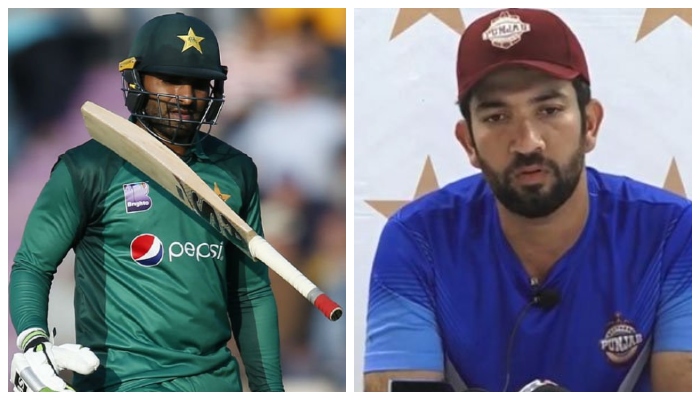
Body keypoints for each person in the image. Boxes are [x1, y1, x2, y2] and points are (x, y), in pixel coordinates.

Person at [363, 8, 690, 392]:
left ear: (590, 124)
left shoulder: (673, 232)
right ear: (468, 142)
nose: (527, 141)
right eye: (497, 117)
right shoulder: (418, 240)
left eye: (549, 110)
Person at [9, 12, 284, 392]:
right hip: (121, 383)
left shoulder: (236, 171)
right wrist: (34, 342)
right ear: (135, 80)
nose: (185, 98)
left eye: (199, 84)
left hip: (215, 385)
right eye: (171, 80)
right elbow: (32, 266)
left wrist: (271, 391)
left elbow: (250, 293)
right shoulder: (87, 167)